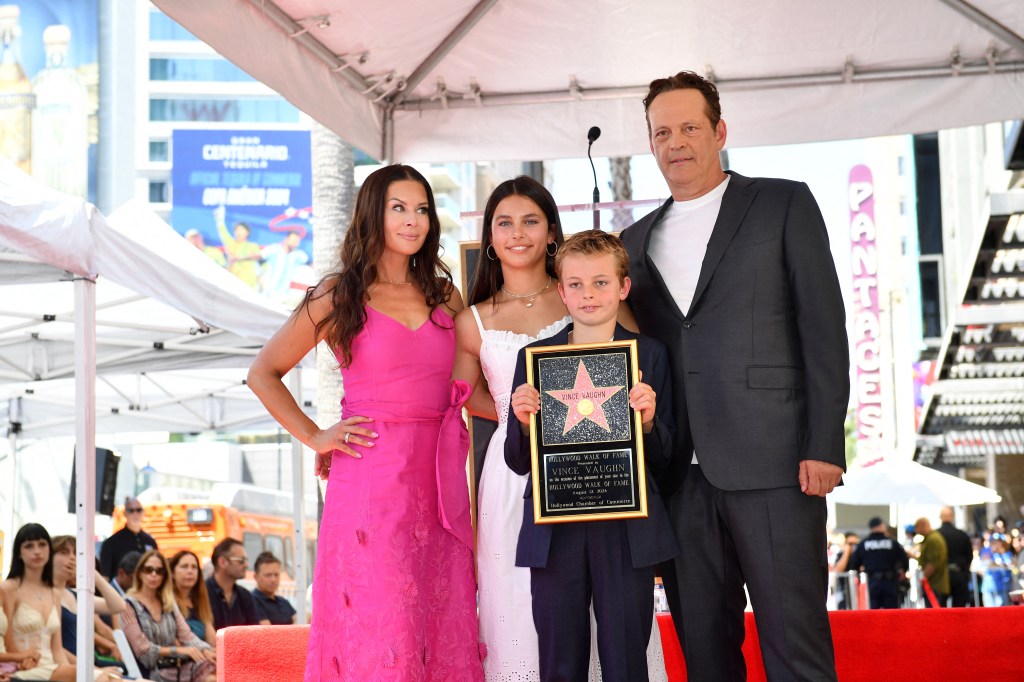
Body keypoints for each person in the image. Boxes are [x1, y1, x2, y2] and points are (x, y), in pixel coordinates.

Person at [620, 71, 849, 681]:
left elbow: (823, 328)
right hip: (677, 480)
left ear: (719, 131)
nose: (676, 142)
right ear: (650, 144)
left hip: (777, 467)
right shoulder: (633, 242)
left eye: (690, 126)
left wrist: (825, 444)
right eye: (661, 131)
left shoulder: (783, 202)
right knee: (706, 657)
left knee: (794, 646)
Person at [247, 164, 484, 681]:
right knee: (384, 625)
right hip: (371, 483)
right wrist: (314, 434)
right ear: (371, 214)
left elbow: (474, 390)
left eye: (422, 209)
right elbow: (263, 373)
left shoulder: (445, 295)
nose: (413, 220)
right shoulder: (338, 294)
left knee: (439, 621)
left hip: (439, 480)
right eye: (398, 207)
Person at [505, 229, 679, 682]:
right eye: (576, 284)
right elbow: (517, 461)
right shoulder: (533, 359)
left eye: (601, 282)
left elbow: (669, 458)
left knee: (626, 659)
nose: (588, 294)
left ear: (623, 287)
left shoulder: (651, 356)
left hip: (627, 529)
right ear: (561, 290)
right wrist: (524, 422)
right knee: (559, 662)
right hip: (554, 530)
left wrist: (646, 421)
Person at [1, 523, 119, 682]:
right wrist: (21, 660)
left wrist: (70, 672)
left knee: (110, 678)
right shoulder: (9, 588)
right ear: (19, 553)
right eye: (29, 546)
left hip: (53, 667)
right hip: (22, 667)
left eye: (42, 544)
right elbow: (7, 642)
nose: (37, 551)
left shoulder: (54, 593)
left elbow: (57, 648)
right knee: (102, 678)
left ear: (49, 549)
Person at [120, 550, 215, 682]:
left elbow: (186, 635)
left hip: (174, 666)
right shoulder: (128, 604)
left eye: (159, 571)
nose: (154, 574)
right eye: (149, 569)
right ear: (140, 573)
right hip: (149, 671)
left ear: (165, 576)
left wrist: (205, 650)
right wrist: (179, 650)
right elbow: (142, 650)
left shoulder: (167, 602)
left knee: (216, 668)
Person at [49, 536, 125, 664]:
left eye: (75, 553)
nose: (72, 557)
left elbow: (118, 606)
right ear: (48, 557)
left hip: (86, 665)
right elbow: (52, 647)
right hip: (69, 667)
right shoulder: (44, 595)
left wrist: (93, 573)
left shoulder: (75, 595)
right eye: (64, 552)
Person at [847, 518, 908, 609]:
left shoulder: (863, 544)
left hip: (872, 582)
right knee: (892, 614)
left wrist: (860, 575)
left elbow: (854, 563)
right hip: (890, 582)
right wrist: (903, 572)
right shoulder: (892, 543)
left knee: (874, 614)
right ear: (881, 526)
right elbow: (904, 560)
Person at [203, 539, 262, 630]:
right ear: (222, 562)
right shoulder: (202, 594)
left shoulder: (246, 596)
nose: (246, 564)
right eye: (241, 560)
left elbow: (255, 632)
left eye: (246, 560)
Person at [100, 497, 158, 580]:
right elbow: (105, 576)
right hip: (120, 591)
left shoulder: (150, 541)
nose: (135, 514)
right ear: (125, 513)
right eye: (131, 510)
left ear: (143, 512)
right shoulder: (112, 543)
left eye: (138, 510)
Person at [168, 551, 216, 647]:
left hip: (204, 656)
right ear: (172, 573)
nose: (190, 571)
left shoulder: (200, 602)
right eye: (184, 566)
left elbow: (213, 642)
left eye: (194, 567)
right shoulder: (167, 602)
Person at [214, 206, 263, 288]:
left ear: (247, 232)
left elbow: (257, 256)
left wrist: (238, 257)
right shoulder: (231, 243)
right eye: (237, 230)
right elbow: (223, 232)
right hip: (232, 283)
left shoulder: (252, 245)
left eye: (241, 230)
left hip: (248, 283)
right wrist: (219, 220)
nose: (238, 232)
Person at [937, 507, 973, 607]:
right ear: (952, 517)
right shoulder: (962, 535)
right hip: (959, 574)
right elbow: (969, 556)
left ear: (940, 517)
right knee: (959, 610)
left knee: (940, 609)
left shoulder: (936, 535)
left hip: (941, 576)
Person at [910, 517, 949, 607]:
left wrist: (923, 578)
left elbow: (933, 563)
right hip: (935, 585)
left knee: (934, 614)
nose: (916, 530)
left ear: (923, 525)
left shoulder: (932, 539)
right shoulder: (930, 538)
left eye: (917, 527)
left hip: (934, 585)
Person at [260, 230, 309, 298]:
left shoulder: (299, 255)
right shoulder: (274, 249)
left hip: (284, 295)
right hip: (267, 292)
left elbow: (309, 264)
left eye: (297, 242)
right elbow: (259, 256)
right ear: (286, 239)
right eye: (293, 241)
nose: (295, 244)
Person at [251, 552, 295, 626]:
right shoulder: (252, 601)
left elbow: (299, 620)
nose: (273, 579)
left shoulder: (284, 602)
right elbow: (268, 632)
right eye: (268, 575)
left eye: (276, 575)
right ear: (256, 577)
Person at [830, 532, 860, 610]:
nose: (853, 546)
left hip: (858, 592)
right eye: (850, 544)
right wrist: (846, 552)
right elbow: (838, 570)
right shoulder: (841, 555)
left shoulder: (858, 555)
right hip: (844, 592)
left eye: (855, 544)